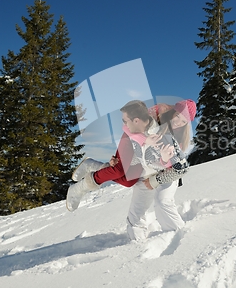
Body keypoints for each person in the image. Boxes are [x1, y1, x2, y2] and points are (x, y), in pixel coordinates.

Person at [66, 99, 196, 240]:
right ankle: (80, 188)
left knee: (129, 181)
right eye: (177, 116)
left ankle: (93, 165)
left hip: (144, 153)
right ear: (173, 110)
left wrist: (162, 166)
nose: (178, 122)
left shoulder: (179, 135)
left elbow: (173, 163)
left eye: (183, 122)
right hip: (131, 137)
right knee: (119, 171)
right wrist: (144, 141)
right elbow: (129, 127)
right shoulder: (158, 112)